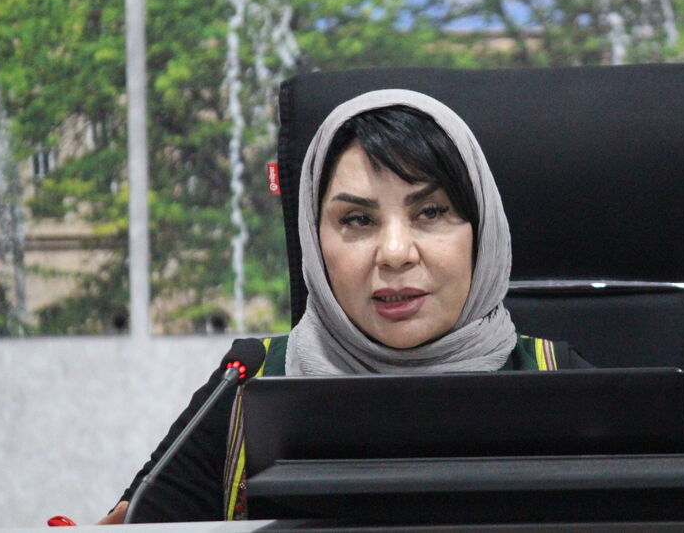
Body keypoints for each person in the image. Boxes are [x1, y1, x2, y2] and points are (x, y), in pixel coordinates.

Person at [104, 89, 589, 523]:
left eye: (430, 212)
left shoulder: (559, 381)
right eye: (357, 219)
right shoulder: (248, 383)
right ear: (313, 242)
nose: (395, 253)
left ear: (482, 232)